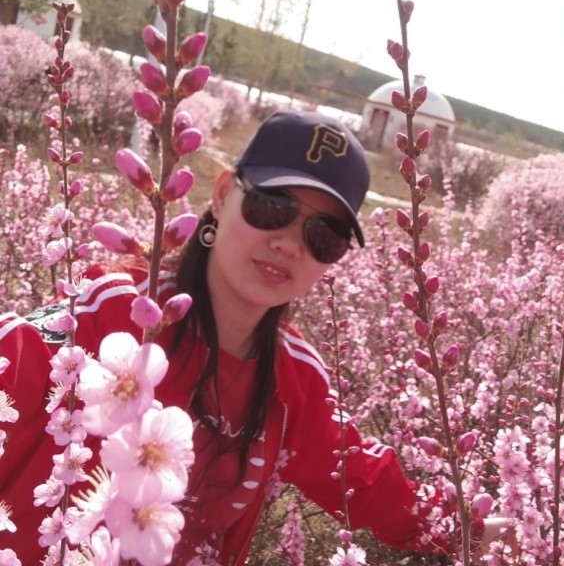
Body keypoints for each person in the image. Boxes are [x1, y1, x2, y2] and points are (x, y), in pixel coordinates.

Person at [0, 110, 510, 564]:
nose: (289, 244)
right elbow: (17, 357)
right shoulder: (117, 311)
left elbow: (368, 484)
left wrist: (485, 533)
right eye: (272, 206)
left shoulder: (293, 380)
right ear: (223, 195)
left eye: (324, 235)